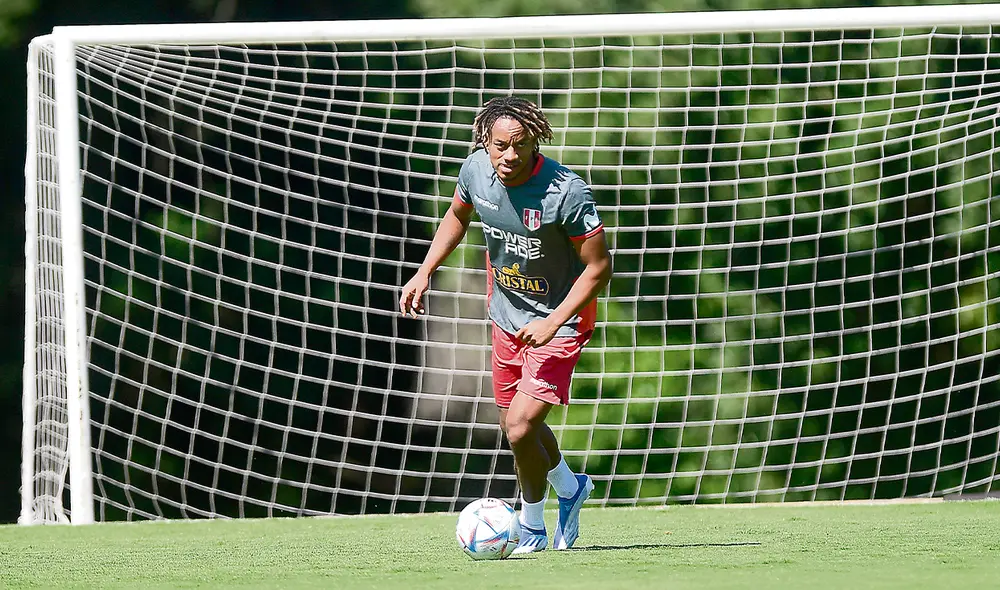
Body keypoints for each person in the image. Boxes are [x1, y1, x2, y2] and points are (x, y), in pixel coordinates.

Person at [399, 96, 612, 553]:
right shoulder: (475, 171)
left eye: (520, 145)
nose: (509, 155)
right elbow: (457, 216)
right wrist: (424, 271)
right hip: (507, 317)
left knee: (518, 428)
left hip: (561, 322)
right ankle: (571, 488)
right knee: (518, 427)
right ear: (485, 142)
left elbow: (598, 268)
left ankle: (531, 525)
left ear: (536, 141)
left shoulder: (565, 192)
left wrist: (556, 321)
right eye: (500, 146)